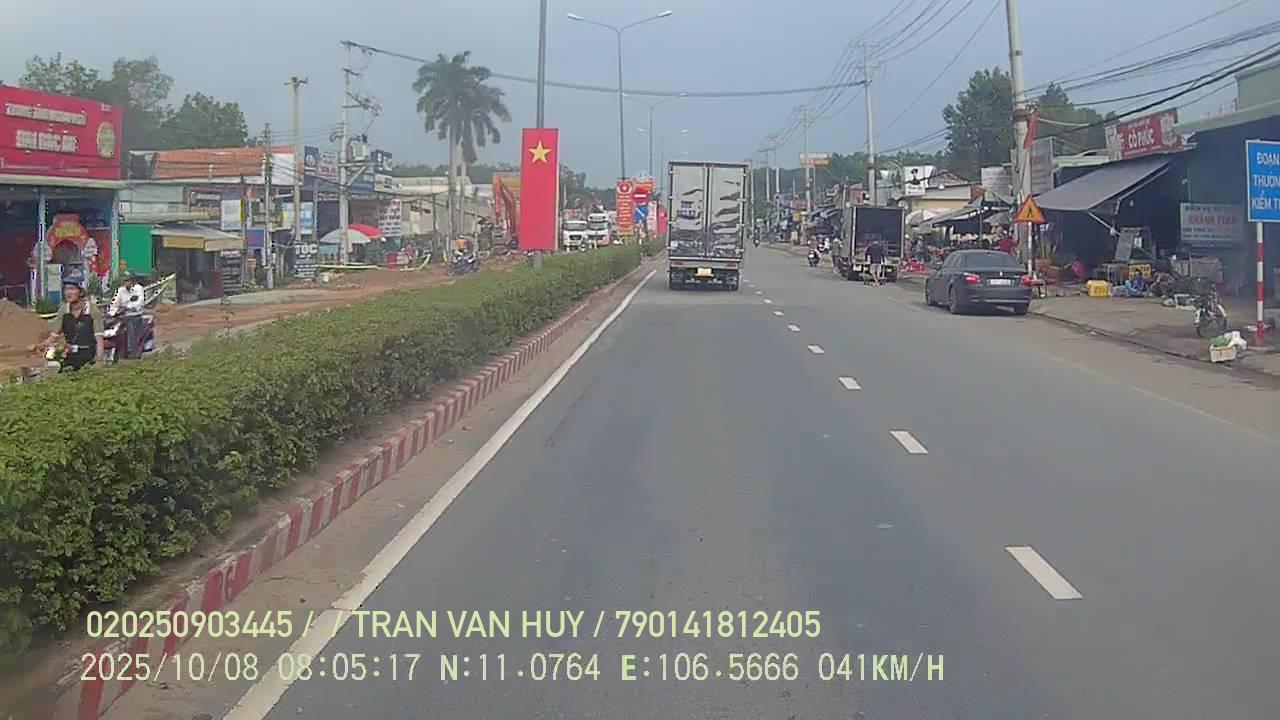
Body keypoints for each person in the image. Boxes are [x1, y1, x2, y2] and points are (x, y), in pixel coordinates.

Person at [43, 279, 102, 371]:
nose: (68, 293)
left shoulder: (92, 310)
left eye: (72, 289)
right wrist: (40, 346)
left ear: (81, 292)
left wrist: (99, 361)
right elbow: (54, 335)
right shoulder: (63, 310)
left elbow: (99, 339)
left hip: (89, 356)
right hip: (69, 355)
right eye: (66, 289)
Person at [110, 273, 146, 359]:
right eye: (124, 281)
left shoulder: (138, 289)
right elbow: (114, 303)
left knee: (131, 326)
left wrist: (127, 307)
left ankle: (132, 350)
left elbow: (140, 303)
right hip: (122, 316)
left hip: (134, 315)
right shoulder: (120, 290)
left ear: (132, 281)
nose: (126, 283)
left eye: (127, 280)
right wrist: (112, 312)